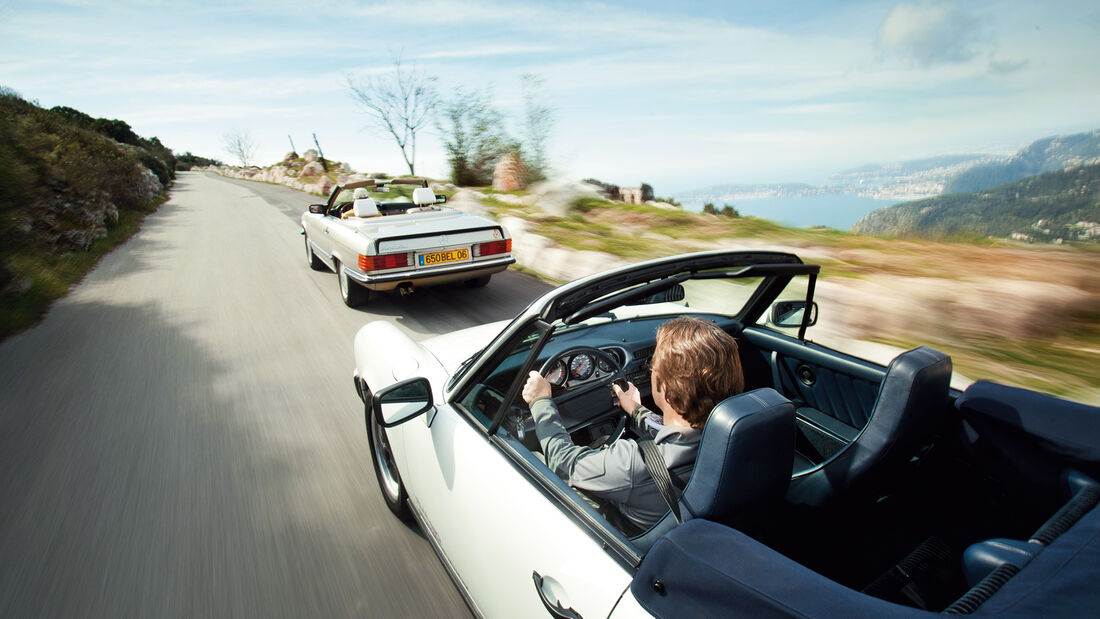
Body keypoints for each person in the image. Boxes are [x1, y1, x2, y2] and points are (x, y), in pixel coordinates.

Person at [521, 315, 745, 534]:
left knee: (533, 458)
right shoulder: (736, 433)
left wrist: (541, 401)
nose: (651, 371)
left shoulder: (632, 463)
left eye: (653, 365)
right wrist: (637, 410)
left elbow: (563, 463)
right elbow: (677, 435)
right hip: (696, 525)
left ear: (666, 387)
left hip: (626, 538)